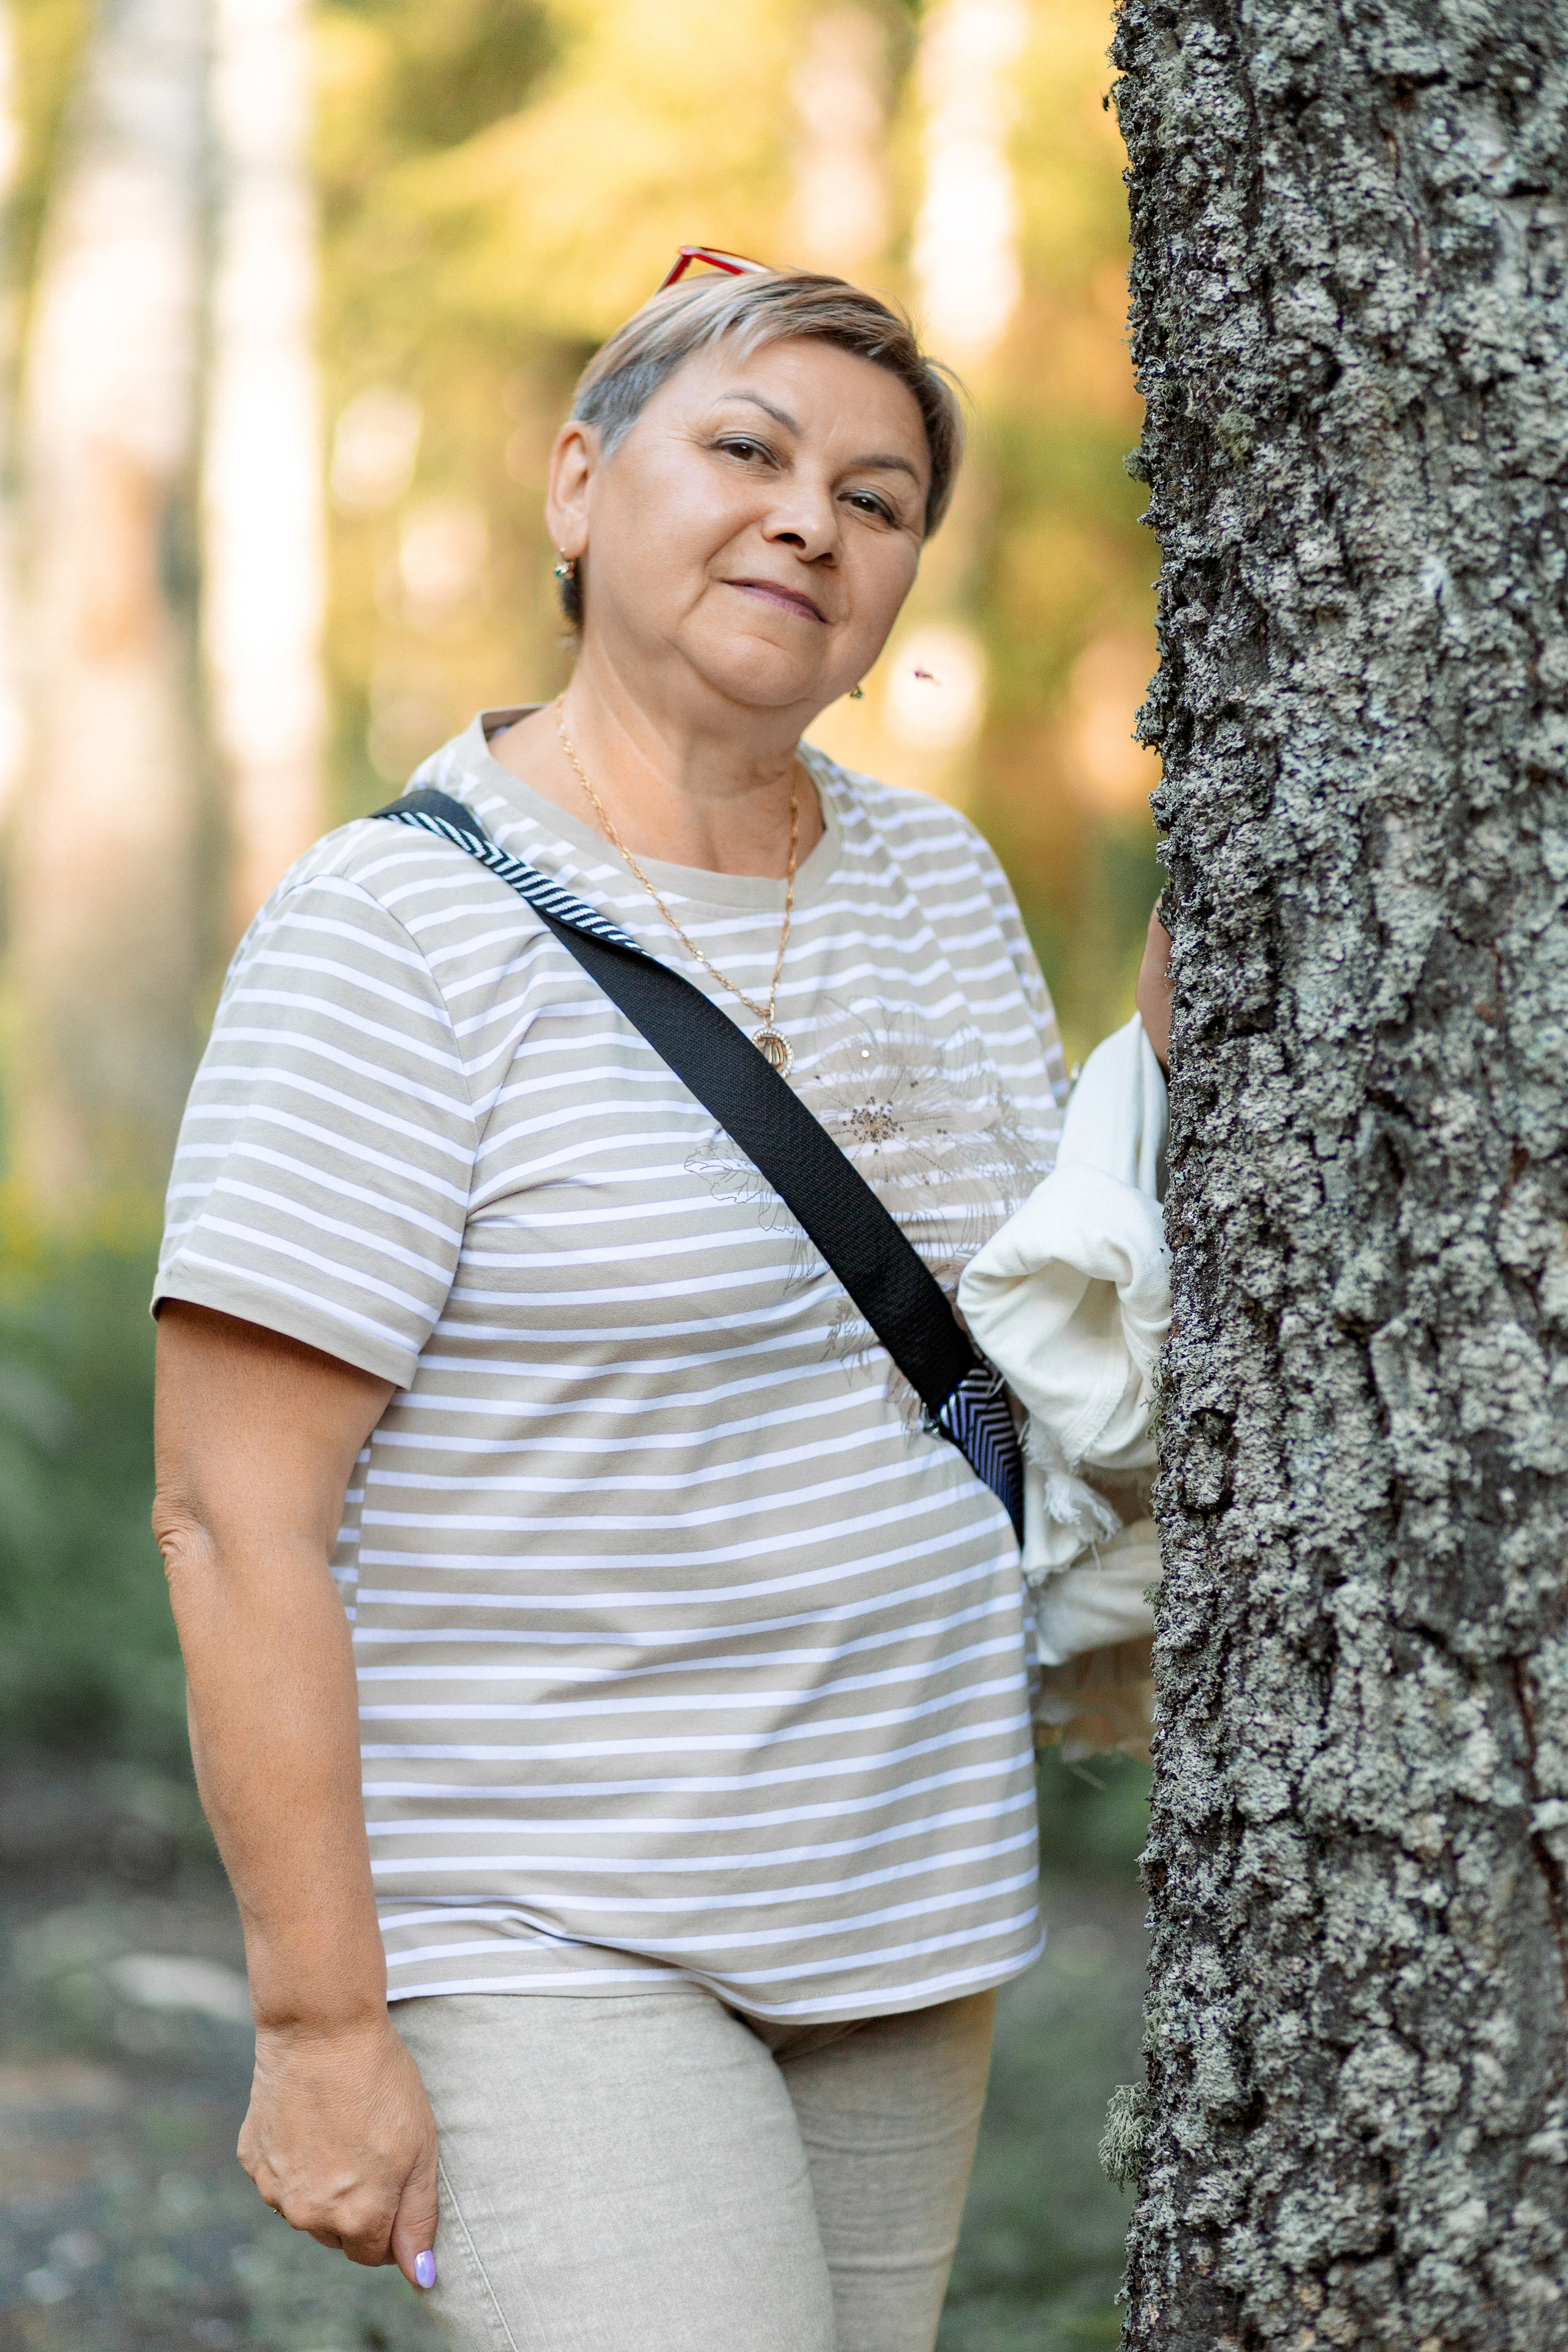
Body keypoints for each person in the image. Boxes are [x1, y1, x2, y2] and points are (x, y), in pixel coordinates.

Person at [153, 258, 1174, 2352]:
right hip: (548, 1923)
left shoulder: (941, 882)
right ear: (577, 485)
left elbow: (1043, 1264)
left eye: (881, 500)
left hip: (903, 1902)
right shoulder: (394, 931)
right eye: (748, 449)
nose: (813, 519)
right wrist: (319, 2018)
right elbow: (231, 1517)